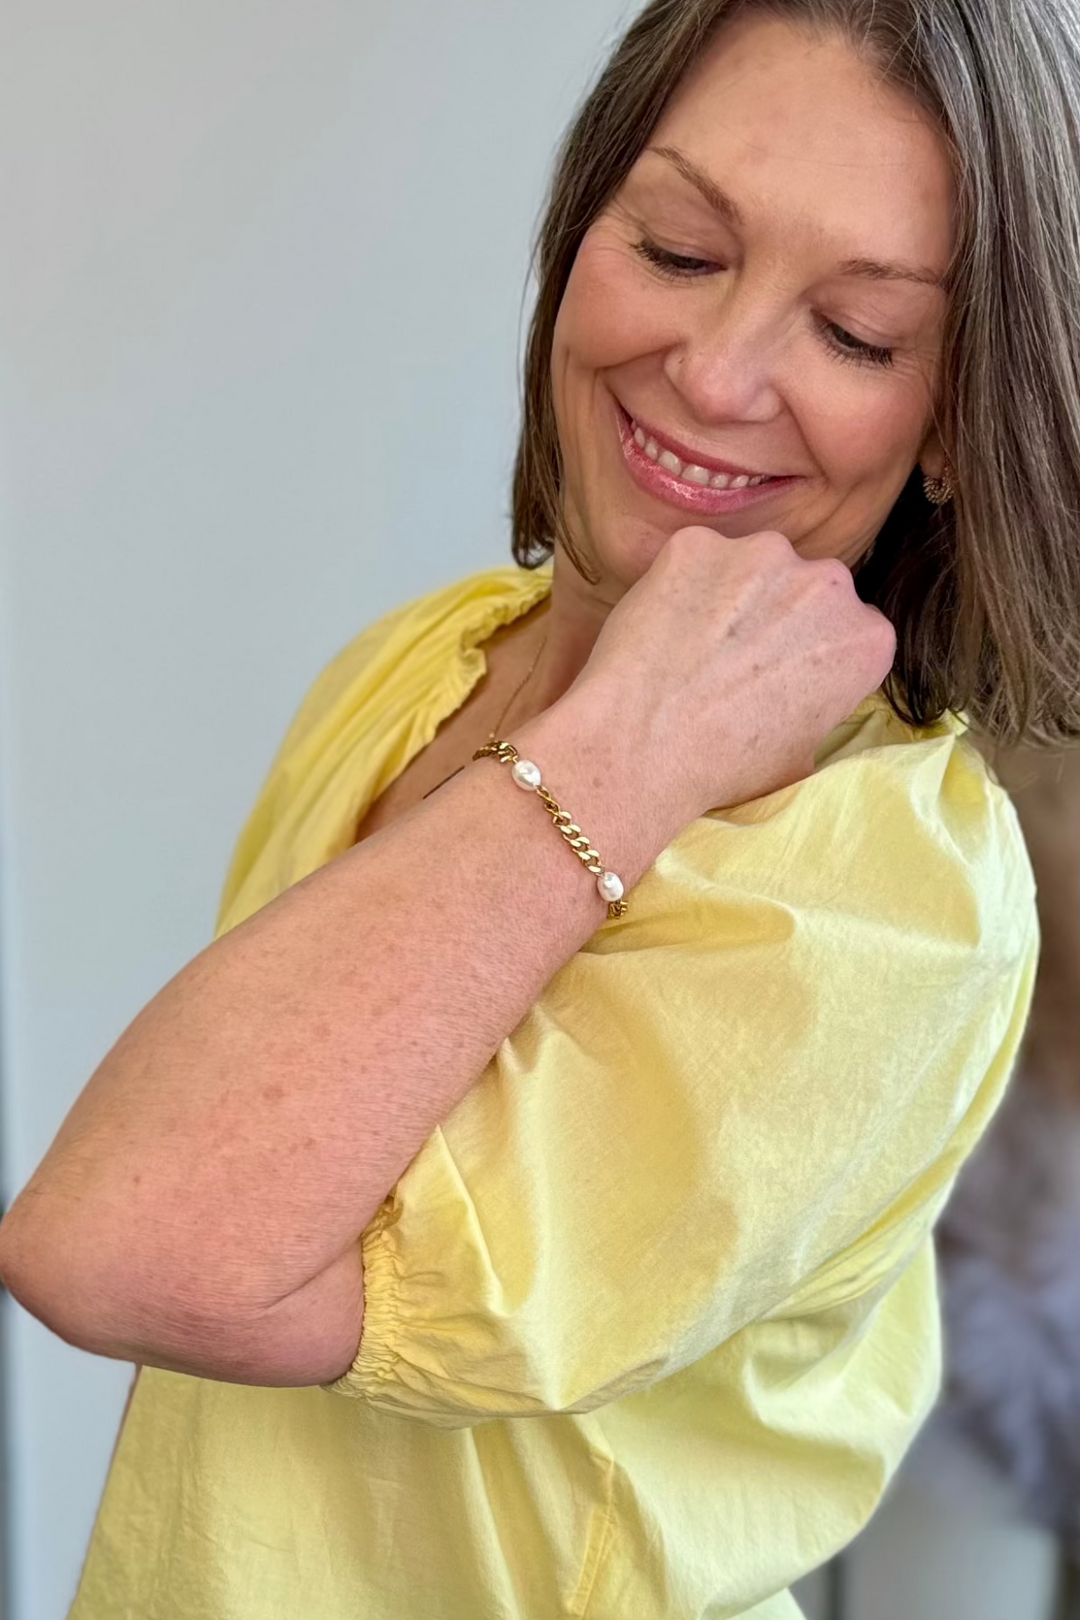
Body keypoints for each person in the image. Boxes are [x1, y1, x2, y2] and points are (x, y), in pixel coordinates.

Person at [1, 2, 1078, 1616]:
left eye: (858, 334)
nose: (714, 372)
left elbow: (122, 1247)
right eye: (677, 246)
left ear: (953, 431)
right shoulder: (422, 663)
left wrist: (623, 750)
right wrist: (607, 722)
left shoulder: (886, 888)